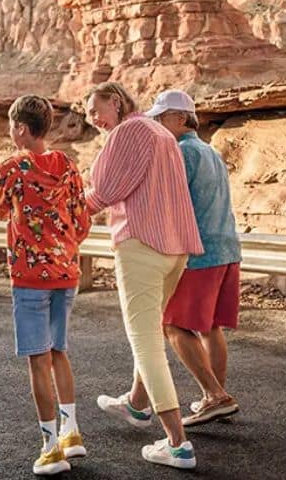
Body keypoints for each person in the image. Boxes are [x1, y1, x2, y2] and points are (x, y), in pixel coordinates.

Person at [83, 82, 204, 470]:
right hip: (175, 248)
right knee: (151, 329)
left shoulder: (129, 131)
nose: (92, 121)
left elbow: (102, 191)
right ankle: (137, 404)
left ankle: (178, 444)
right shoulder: (161, 133)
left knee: (145, 340)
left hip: (142, 245)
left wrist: (66, 208)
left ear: (116, 102)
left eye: (94, 111)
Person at [0, 95, 93, 476]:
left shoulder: (11, 167)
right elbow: (82, 222)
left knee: (38, 358)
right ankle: (72, 432)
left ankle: (50, 449)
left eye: (11, 125)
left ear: (21, 128)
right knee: (58, 352)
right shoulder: (68, 165)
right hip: (66, 270)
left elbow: (0, 210)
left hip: (29, 275)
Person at [146, 90, 243, 426]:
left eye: (161, 117)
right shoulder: (211, 151)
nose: (157, 124)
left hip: (199, 254)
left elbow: (168, 203)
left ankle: (215, 395)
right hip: (227, 250)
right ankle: (214, 397)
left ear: (179, 118)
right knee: (211, 327)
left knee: (172, 325)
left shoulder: (181, 152)